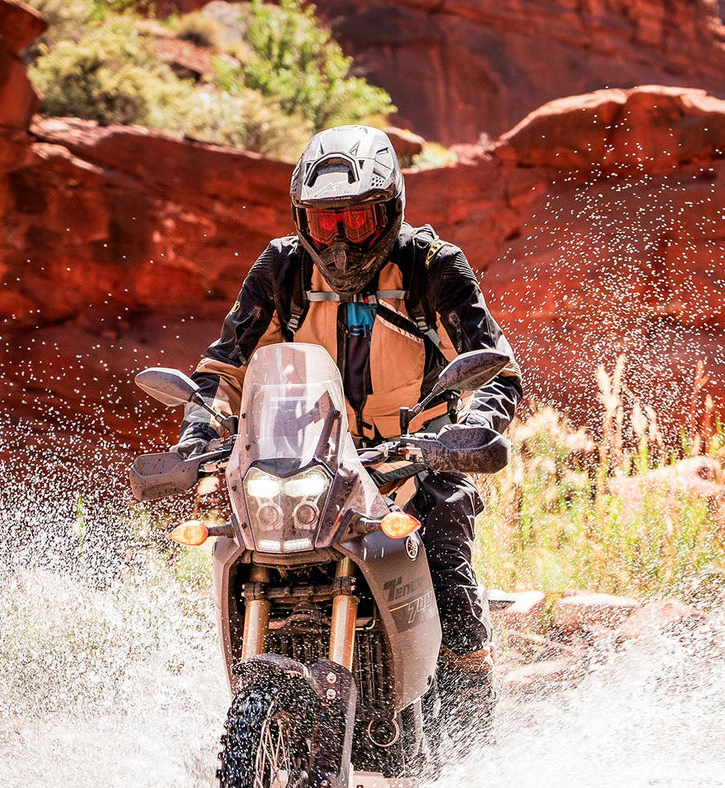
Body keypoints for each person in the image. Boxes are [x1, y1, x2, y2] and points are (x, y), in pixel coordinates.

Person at [174, 124, 523, 734]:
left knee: (447, 571)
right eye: (325, 223)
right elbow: (224, 368)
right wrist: (198, 434)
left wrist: (470, 430)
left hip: (416, 463)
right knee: (243, 549)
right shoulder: (282, 269)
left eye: (356, 222)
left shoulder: (432, 268)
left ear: (390, 212)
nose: (338, 241)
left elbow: (494, 367)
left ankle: (471, 744)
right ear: (301, 220)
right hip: (307, 464)